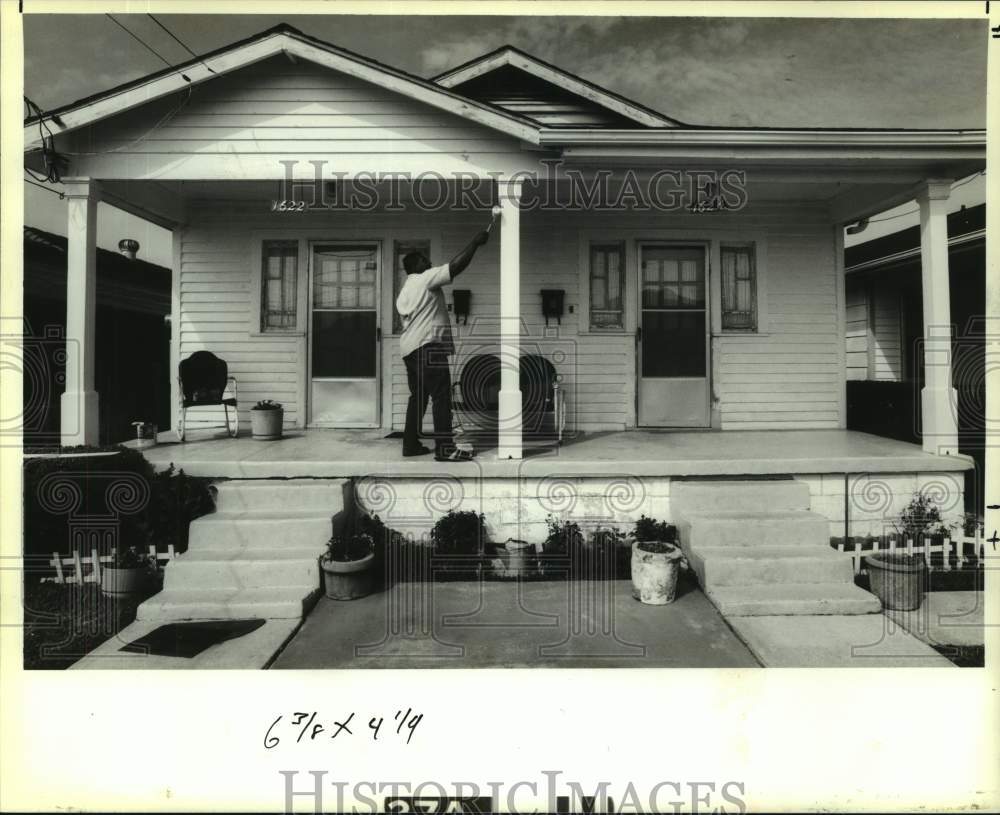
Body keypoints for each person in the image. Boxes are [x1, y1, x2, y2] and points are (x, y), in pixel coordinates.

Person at [396, 229, 489, 461]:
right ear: (416, 265)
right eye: (425, 260)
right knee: (441, 396)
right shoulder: (425, 279)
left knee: (418, 397)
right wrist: (475, 242)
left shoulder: (406, 290)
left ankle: (410, 445)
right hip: (429, 347)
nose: (429, 263)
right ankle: (445, 449)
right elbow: (455, 267)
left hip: (409, 350)